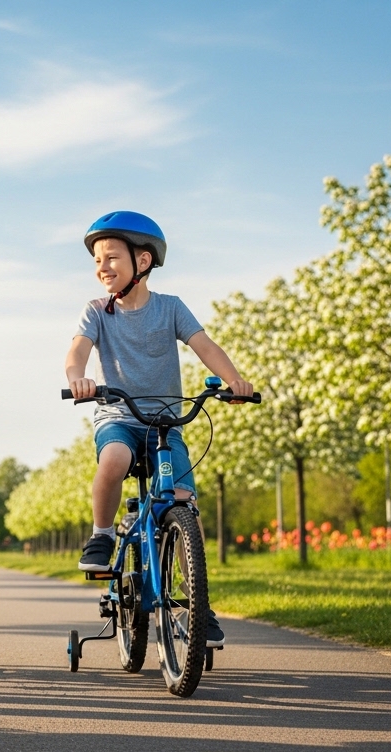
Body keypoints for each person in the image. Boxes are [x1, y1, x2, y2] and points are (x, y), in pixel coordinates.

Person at [64, 211, 254, 648]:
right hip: (119, 416)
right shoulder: (96, 312)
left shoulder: (170, 307)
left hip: (167, 422)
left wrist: (234, 380)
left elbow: (204, 345)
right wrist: (79, 377)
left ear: (143, 261)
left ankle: (198, 602)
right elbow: (77, 350)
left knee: (185, 502)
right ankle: (103, 535)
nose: (102, 267)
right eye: (97, 260)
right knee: (114, 459)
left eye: (111, 257)